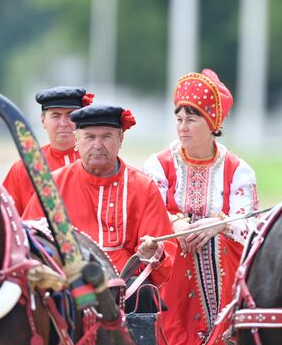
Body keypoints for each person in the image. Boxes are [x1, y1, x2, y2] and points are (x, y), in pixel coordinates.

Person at [143, 69, 259, 345]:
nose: (182, 126)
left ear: (212, 124)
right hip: (174, 264)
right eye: (179, 119)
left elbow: (249, 223)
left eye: (191, 119)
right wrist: (175, 224)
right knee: (166, 243)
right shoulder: (159, 164)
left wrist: (218, 224)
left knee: (223, 241)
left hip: (221, 269)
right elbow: (150, 210)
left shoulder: (238, 169)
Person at [22, 104, 175, 291]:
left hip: (125, 290)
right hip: (66, 286)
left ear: (120, 138)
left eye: (106, 136)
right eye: (90, 137)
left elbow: (165, 254)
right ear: (76, 140)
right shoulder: (52, 185)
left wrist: (153, 252)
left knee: (143, 296)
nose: (98, 145)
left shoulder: (144, 187)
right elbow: (29, 241)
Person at [3, 86, 93, 214]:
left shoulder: (97, 163)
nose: (63, 123)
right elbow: (8, 221)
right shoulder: (25, 168)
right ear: (43, 120)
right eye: (56, 116)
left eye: (71, 115)